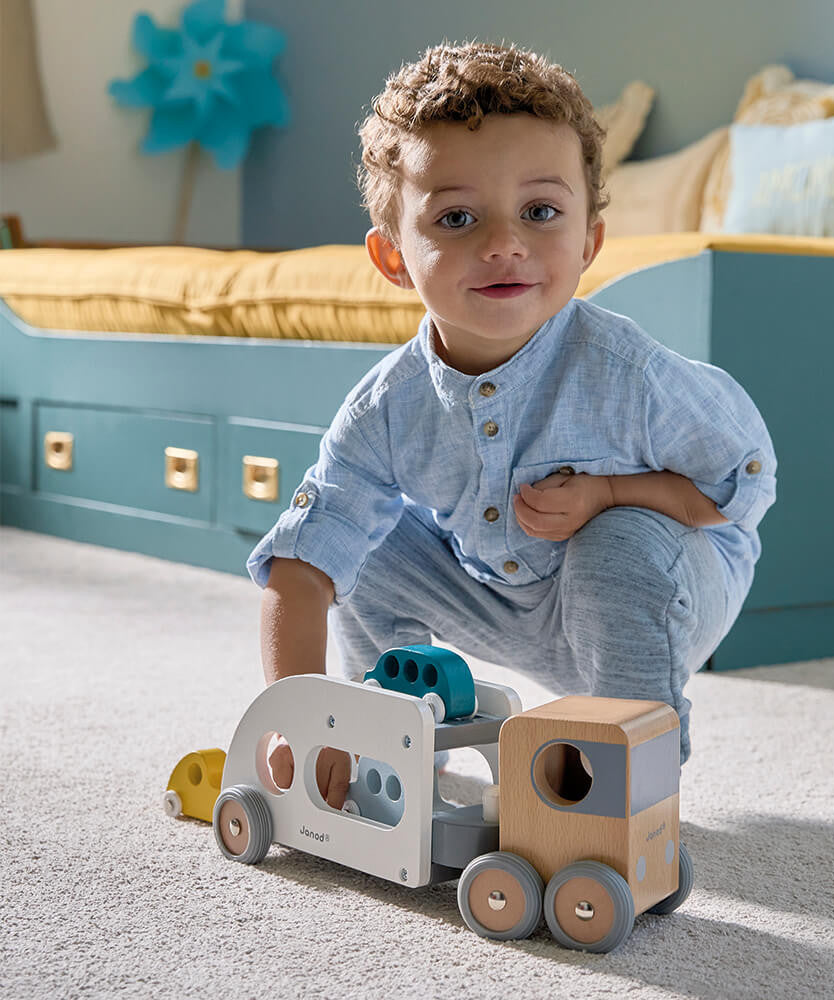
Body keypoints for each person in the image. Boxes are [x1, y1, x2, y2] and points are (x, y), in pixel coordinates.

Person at [248, 39, 777, 809]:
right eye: (456, 217)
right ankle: (395, 734)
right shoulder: (386, 407)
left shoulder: (630, 376)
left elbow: (741, 482)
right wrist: (296, 720)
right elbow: (302, 565)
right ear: (394, 257)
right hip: (505, 594)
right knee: (364, 541)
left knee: (619, 539)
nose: (503, 244)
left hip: (666, 592)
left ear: (589, 241)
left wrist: (611, 492)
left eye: (540, 212)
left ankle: (616, 783)